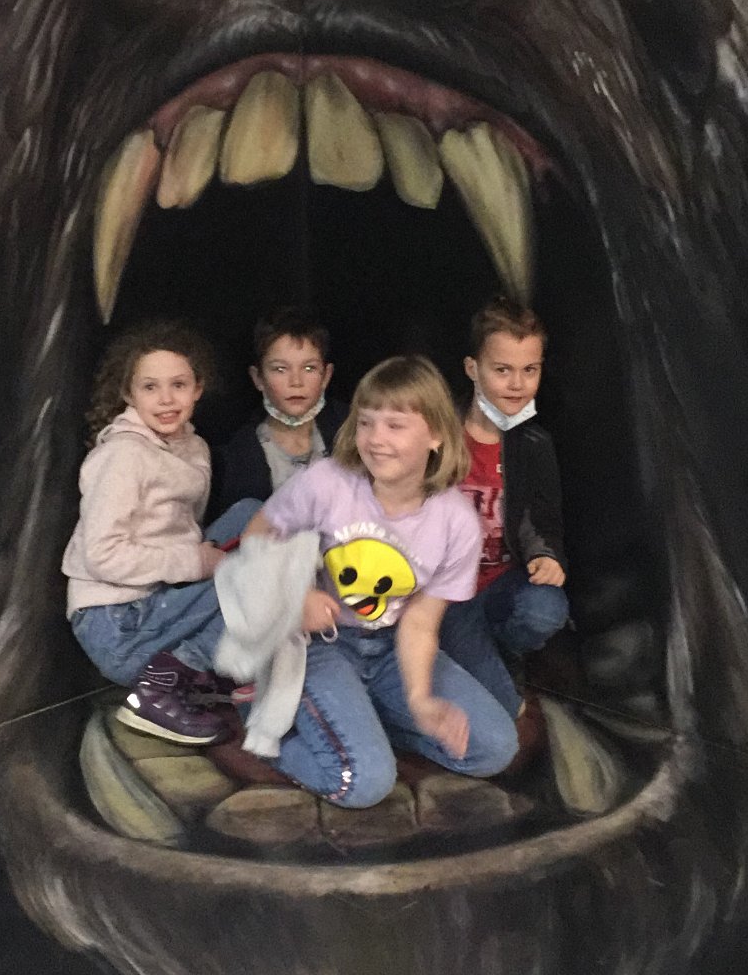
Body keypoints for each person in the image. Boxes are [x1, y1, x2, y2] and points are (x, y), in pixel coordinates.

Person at [242, 355, 519, 805]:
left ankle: (367, 721)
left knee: (495, 748)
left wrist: (421, 700)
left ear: (436, 435)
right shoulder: (327, 482)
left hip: (389, 646)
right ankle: (263, 726)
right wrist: (297, 596)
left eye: (395, 426)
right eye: (367, 423)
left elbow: (420, 623)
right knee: (365, 784)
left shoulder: (456, 522)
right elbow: (256, 535)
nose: (376, 439)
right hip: (318, 647)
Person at [62, 320, 257, 745]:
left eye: (178, 385)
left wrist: (201, 564)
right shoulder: (123, 456)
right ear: (129, 394)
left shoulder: (194, 447)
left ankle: (212, 666)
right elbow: (103, 555)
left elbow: (182, 532)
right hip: (117, 623)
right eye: (150, 387)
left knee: (253, 517)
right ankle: (161, 686)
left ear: (198, 388)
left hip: (157, 599)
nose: (166, 399)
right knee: (255, 573)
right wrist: (199, 564)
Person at [439, 301, 569, 725]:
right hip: (446, 597)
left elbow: (544, 520)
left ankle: (501, 649)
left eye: (529, 370)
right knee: (506, 711)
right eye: (502, 370)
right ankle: (461, 654)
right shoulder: (438, 434)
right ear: (472, 368)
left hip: (500, 586)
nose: (517, 384)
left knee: (546, 609)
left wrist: (546, 555)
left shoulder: (534, 444)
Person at [213, 308, 348, 512]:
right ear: (258, 378)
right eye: (280, 369)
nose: (296, 382)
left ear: (326, 376)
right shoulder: (238, 456)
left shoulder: (354, 431)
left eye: (309, 368)